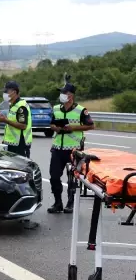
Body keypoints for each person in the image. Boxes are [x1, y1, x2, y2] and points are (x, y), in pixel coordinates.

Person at [47, 82, 95, 214]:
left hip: (74, 150)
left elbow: (91, 126)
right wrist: (55, 127)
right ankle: (57, 203)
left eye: (64, 93)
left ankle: (70, 203)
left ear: (70, 95)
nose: (61, 95)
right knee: (54, 177)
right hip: (57, 148)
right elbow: (51, 124)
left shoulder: (81, 110)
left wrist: (73, 128)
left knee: (72, 178)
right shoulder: (56, 108)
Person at [0, 81, 32, 158]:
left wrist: (5, 120)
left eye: (6, 91)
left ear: (14, 92)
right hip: (11, 144)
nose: (4, 94)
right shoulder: (13, 105)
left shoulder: (21, 106)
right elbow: (10, 120)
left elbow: (23, 125)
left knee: (20, 168)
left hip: (20, 144)